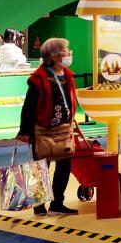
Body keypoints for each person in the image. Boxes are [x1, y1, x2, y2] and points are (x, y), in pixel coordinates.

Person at [16, 37, 78, 216]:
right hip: (43, 130)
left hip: (63, 129)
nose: (69, 53)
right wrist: (25, 131)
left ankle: (57, 203)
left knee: (64, 166)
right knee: (41, 167)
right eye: (65, 50)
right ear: (54, 56)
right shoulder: (39, 79)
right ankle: (39, 203)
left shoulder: (67, 75)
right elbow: (29, 106)